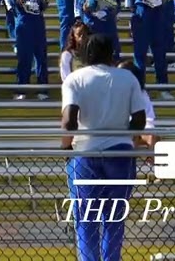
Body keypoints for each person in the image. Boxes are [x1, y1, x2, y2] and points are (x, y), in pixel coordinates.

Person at [61, 32, 148, 261]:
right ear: (111, 53)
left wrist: (65, 149)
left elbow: (69, 122)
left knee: (86, 218)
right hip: (120, 152)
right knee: (114, 217)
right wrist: (125, 135)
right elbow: (139, 119)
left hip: (86, 151)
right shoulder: (127, 78)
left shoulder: (75, 79)